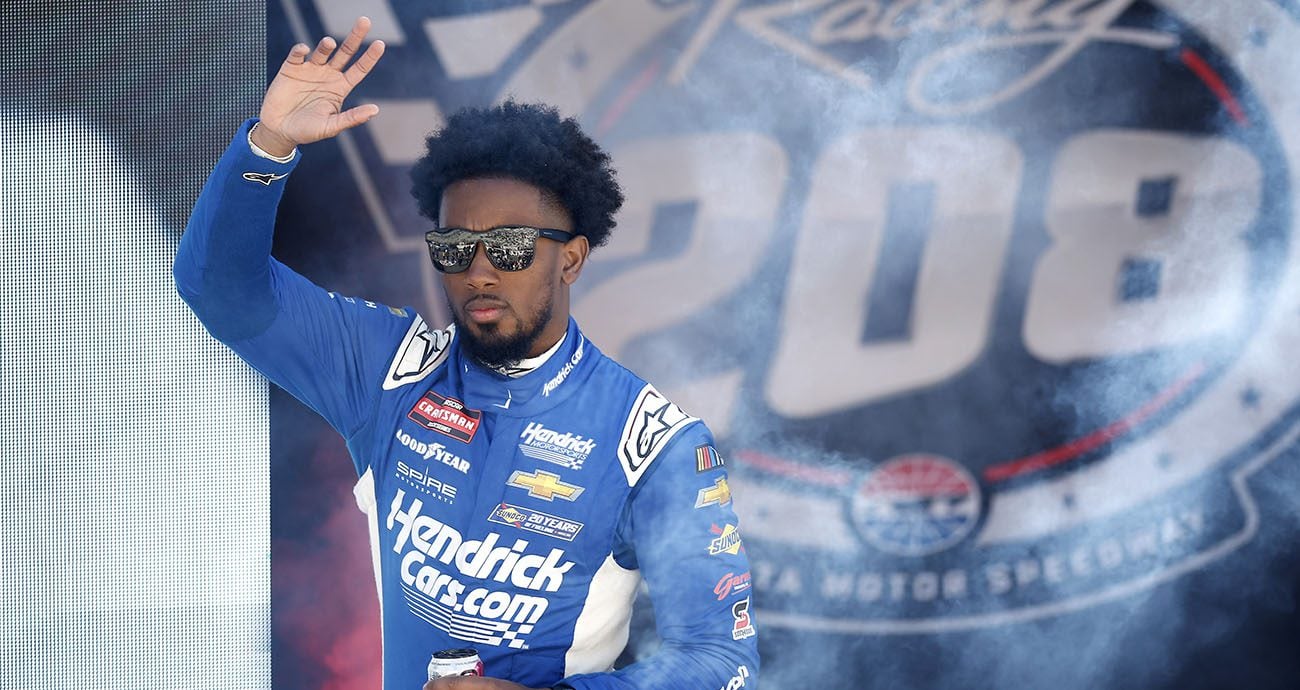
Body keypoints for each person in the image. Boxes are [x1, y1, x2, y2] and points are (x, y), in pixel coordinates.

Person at [174, 16, 759, 690]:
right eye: (454, 249)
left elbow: (721, 662)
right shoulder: (388, 371)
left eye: (509, 248)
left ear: (570, 259)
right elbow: (218, 290)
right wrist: (268, 146)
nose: (478, 271)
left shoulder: (653, 445)